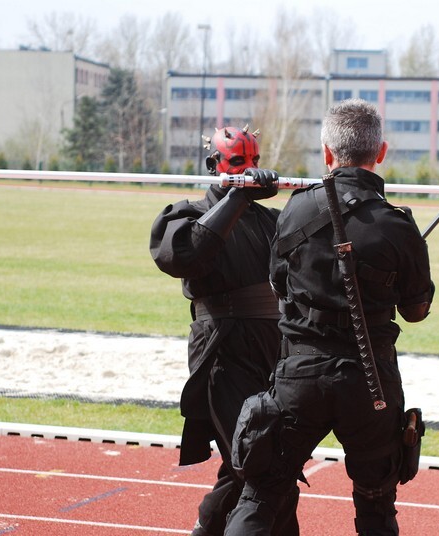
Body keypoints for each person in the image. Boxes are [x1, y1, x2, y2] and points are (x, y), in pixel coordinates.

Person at [224, 99, 435, 535]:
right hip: (369, 381)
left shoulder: (297, 210)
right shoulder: (397, 226)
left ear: (326, 152)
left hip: (300, 373)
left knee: (260, 494)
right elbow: (416, 312)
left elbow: (278, 287)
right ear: (381, 152)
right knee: (376, 505)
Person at [149, 125, 299, 536]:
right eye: (236, 162)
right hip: (222, 352)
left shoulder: (270, 221)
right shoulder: (187, 215)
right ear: (214, 165)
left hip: (274, 352)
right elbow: (186, 256)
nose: (247, 170)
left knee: (256, 465)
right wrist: (236, 196)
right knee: (259, 463)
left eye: (253, 162)